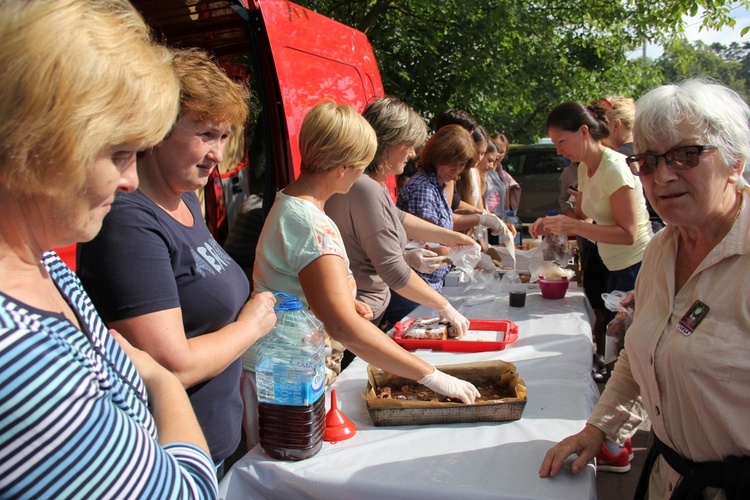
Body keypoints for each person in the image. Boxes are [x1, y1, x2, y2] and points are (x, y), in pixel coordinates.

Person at [0, 0, 217, 497]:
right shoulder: (19, 356)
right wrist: (159, 380)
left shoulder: (46, 263)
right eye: (119, 154)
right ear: (34, 147)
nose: (130, 180)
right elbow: (190, 491)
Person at [540, 78, 750, 499]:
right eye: (649, 161)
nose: (664, 175)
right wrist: (598, 428)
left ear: (735, 162)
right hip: (667, 479)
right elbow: (639, 356)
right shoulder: (661, 250)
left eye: (685, 155)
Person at [77, 48, 277, 475]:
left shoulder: (185, 197)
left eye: (224, 136)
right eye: (206, 134)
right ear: (155, 130)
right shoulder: (126, 221)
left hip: (213, 446)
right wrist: (251, 326)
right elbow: (171, 364)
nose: (218, 154)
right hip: (167, 463)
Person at [254, 101, 480, 407]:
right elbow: (344, 327)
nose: (363, 174)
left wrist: (343, 299)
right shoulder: (310, 223)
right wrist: (431, 376)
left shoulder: (295, 204)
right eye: (362, 164)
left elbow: (302, 288)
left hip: (289, 368)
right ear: (342, 167)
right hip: (290, 377)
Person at [325, 96, 477, 330]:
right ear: (388, 142)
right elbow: (392, 270)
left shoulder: (373, 184)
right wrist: (444, 306)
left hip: (367, 313)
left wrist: (452, 237)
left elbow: (397, 217)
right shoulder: (366, 187)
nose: (414, 154)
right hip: (357, 318)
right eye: (408, 145)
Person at [397, 125, 508, 291]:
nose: (456, 170)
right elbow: (429, 242)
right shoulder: (423, 188)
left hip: (430, 283)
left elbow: (445, 224)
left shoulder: (438, 185)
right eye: (451, 163)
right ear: (437, 156)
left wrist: (482, 219)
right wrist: (469, 257)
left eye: (462, 164)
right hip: (418, 285)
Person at [591, 96, 665, 234]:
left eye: (600, 127)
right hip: (657, 232)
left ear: (616, 125)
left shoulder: (614, 161)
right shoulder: (652, 154)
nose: (596, 135)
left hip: (633, 244)